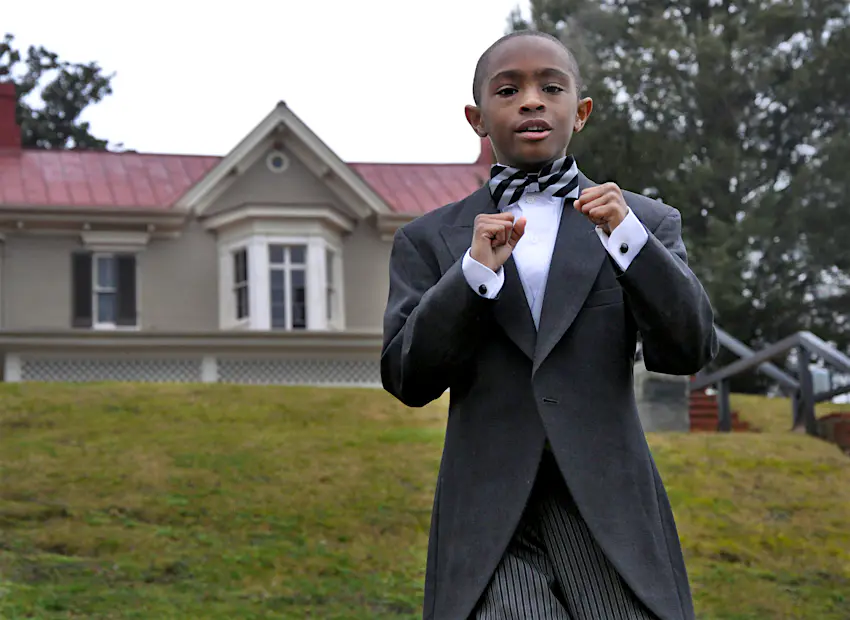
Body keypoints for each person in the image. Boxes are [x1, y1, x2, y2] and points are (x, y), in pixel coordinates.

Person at [380, 29, 717, 620]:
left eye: (550, 87)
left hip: (609, 511)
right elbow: (408, 377)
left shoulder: (644, 222)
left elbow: (688, 349)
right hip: (487, 521)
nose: (531, 100)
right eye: (508, 90)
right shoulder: (428, 239)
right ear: (477, 117)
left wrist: (630, 242)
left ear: (580, 111)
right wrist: (472, 276)